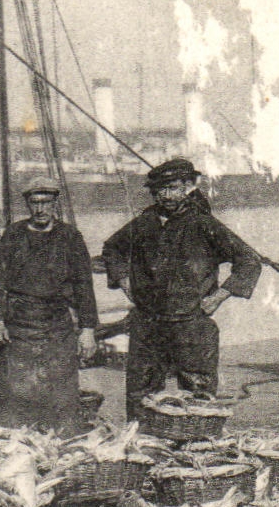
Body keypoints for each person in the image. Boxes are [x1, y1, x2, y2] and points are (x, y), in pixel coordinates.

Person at [102, 157, 262, 421]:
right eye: (161, 190)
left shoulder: (203, 224)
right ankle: (143, 445)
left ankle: (196, 446)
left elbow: (248, 260)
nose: (167, 196)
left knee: (198, 396)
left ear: (187, 187)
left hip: (190, 325)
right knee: (140, 395)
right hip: (148, 323)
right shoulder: (145, 223)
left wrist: (219, 296)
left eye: (174, 188)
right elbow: (111, 249)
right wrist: (123, 280)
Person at [0, 177, 99, 434]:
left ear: (55, 203)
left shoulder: (70, 236)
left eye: (45, 202)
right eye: (34, 203)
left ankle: (60, 442)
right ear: (27, 204)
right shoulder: (14, 234)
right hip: (19, 325)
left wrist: (88, 329)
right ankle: (12, 442)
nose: (40, 209)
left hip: (56, 324)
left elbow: (84, 285)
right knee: (11, 392)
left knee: (61, 391)